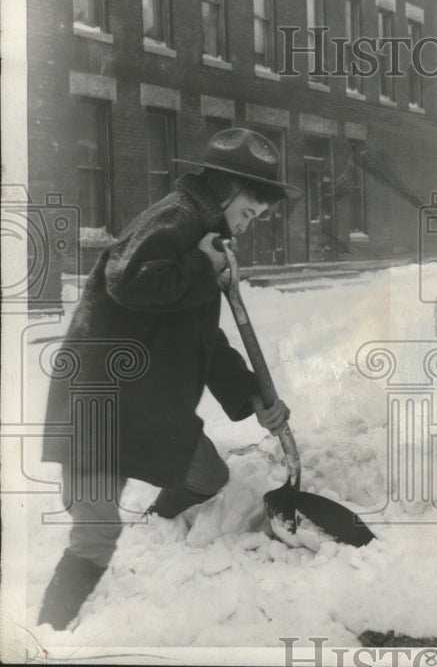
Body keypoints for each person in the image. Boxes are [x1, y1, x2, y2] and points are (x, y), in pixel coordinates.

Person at [38, 128, 300, 630]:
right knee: (94, 537)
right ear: (225, 191)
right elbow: (127, 279)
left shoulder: (203, 234)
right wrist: (203, 265)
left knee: (209, 477)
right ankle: (45, 636)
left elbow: (207, 340)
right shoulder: (177, 217)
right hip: (100, 405)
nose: (245, 227)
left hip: (147, 409)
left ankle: (155, 527)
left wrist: (251, 394)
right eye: (246, 213)